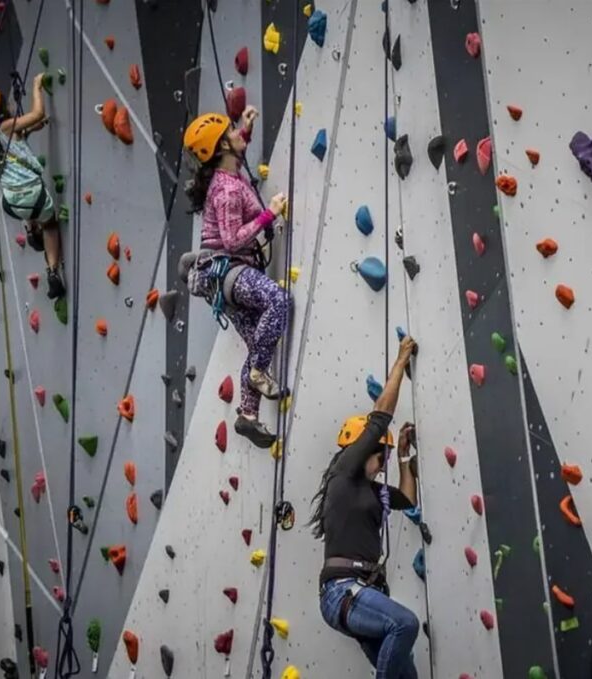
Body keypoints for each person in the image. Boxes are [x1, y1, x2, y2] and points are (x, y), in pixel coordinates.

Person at [176, 105, 290, 448]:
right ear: (221, 148)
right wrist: (269, 214)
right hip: (229, 270)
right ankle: (257, 372)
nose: (236, 136)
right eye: (230, 134)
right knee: (279, 301)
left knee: (259, 341)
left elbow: (235, 152)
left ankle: (247, 414)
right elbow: (232, 240)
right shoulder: (226, 190)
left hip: (222, 279)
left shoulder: (229, 172)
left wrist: (246, 128)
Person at [310, 337, 421, 679]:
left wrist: (403, 454)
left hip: (361, 591)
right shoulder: (344, 474)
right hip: (342, 591)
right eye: (380, 454)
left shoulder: (371, 492)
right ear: (358, 451)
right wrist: (401, 360)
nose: (383, 461)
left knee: (406, 674)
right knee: (405, 624)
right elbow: (379, 419)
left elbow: (407, 499)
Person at [0, 76, 66, 299]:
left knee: (27, 207)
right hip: (32, 195)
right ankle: (53, 272)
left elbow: (15, 142)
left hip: (10, 202)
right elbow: (36, 114)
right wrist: (36, 87)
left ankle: (30, 228)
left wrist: (30, 130)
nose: (8, 104)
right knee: (50, 224)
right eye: (3, 104)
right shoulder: (7, 127)